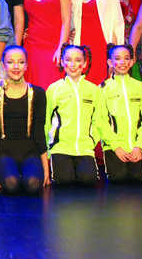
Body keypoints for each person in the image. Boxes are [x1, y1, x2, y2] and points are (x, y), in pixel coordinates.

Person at [0, 45, 49, 194]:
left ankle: (26, 173)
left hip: (30, 151)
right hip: (4, 151)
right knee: (11, 184)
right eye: (10, 62)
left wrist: (46, 170)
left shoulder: (38, 93)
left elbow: (39, 132)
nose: (16, 67)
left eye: (20, 62)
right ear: (3, 65)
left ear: (26, 65)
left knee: (33, 184)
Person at [45, 45, 105, 186]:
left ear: (84, 64)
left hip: (84, 149)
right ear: (62, 62)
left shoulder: (93, 90)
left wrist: (91, 141)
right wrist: (48, 148)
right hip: (60, 148)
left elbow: (98, 120)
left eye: (78, 60)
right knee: (64, 180)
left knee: (88, 180)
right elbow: (46, 120)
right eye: (68, 60)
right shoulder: (54, 89)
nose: (73, 64)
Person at [67, 0, 124, 84]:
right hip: (79, 45)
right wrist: (68, 33)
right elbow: (63, 19)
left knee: (103, 85)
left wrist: (117, 52)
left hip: (102, 46)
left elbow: (117, 23)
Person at [98, 44, 142, 183]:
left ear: (132, 62)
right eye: (117, 58)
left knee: (139, 178)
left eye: (126, 58)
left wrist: (139, 146)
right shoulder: (103, 88)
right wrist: (116, 147)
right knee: (118, 177)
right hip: (114, 147)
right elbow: (101, 121)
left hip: (136, 147)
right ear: (110, 62)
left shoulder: (141, 87)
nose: (122, 62)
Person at [21, 0, 70, 87]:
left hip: (54, 46)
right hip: (32, 48)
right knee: (33, 89)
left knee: (53, 88)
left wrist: (61, 47)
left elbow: (66, 20)